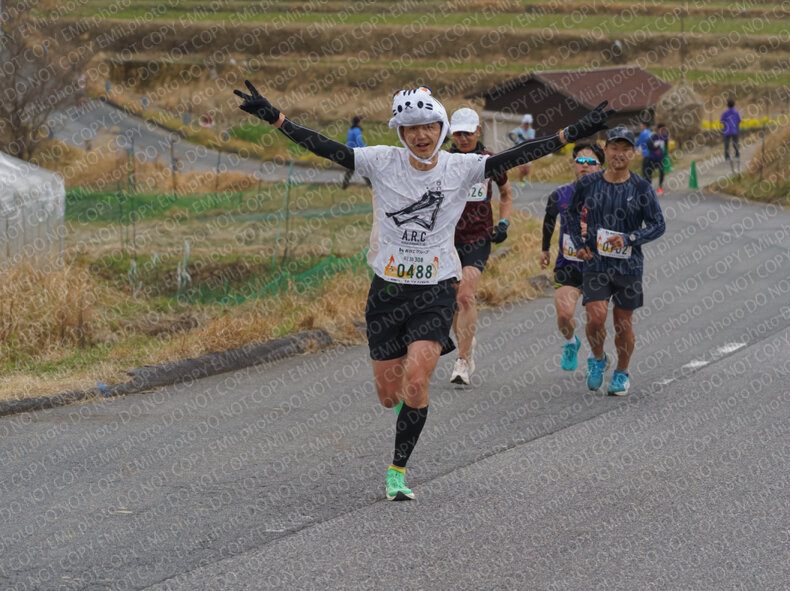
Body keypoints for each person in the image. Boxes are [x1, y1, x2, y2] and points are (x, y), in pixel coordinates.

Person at [234, 81, 614, 500]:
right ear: (401, 132)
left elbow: (518, 155)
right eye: (412, 128)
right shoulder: (381, 161)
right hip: (387, 292)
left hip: (435, 290)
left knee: (417, 381)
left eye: (429, 126)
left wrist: (570, 133)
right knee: (388, 396)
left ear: (441, 128)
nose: (421, 135)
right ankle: (407, 413)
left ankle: (397, 471)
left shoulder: (459, 166)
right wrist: (276, 118)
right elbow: (326, 148)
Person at [565, 126, 665, 395]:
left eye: (625, 149)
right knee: (595, 318)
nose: (619, 154)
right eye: (614, 148)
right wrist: (580, 245)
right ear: (605, 150)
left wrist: (630, 238)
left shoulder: (641, 187)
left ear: (633, 153)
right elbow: (572, 213)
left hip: (628, 265)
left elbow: (658, 224)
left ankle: (621, 372)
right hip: (596, 263)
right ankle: (598, 359)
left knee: (623, 324)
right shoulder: (588, 183)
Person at [447, 108, 514, 385]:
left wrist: (504, 223)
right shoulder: (443, 161)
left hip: (478, 237)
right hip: (447, 240)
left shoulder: (490, 161)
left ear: (478, 131)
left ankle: (462, 361)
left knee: (465, 296)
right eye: (458, 133)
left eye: (468, 133)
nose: (463, 138)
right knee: (453, 300)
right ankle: (467, 341)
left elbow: (506, 193)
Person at [540, 142, 605, 371]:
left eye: (591, 162)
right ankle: (571, 342)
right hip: (568, 265)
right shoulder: (560, 195)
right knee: (564, 316)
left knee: (595, 322)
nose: (584, 166)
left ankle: (596, 357)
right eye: (580, 161)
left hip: (598, 268)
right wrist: (545, 249)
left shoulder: (608, 195)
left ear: (599, 167)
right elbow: (549, 220)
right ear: (574, 164)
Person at [511, 114, 536, 187]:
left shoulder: (532, 131)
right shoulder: (519, 130)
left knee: (527, 171)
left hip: (528, 152)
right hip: (519, 151)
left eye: (528, 124)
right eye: (526, 123)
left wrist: (522, 137)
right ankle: (521, 181)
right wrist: (513, 136)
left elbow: (530, 140)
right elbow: (511, 133)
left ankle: (524, 178)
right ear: (523, 123)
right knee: (522, 169)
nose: (527, 125)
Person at [341, 115, 366, 189]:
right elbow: (359, 141)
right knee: (363, 169)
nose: (362, 123)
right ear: (358, 122)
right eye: (361, 122)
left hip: (349, 151)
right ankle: (371, 185)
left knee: (350, 170)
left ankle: (344, 186)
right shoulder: (357, 130)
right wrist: (365, 148)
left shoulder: (350, 130)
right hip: (355, 152)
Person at [645, 123, 668, 195]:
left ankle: (660, 187)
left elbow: (666, 146)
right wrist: (654, 148)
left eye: (664, 130)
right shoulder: (653, 136)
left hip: (660, 158)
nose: (662, 131)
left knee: (661, 171)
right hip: (652, 158)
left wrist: (665, 154)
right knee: (650, 172)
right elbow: (648, 145)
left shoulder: (665, 136)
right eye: (661, 130)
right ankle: (649, 187)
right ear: (658, 130)